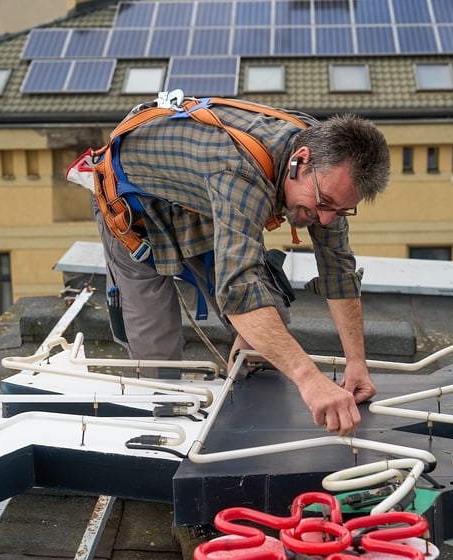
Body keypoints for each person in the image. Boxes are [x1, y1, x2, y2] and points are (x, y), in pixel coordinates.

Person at [93, 96, 390, 437]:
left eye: (339, 210)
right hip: (132, 214)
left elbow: (338, 271)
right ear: (299, 162)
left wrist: (356, 363)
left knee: (268, 324)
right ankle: (164, 440)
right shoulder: (240, 170)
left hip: (200, 203)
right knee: (159, 357)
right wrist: (310, 380)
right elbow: (238, 290)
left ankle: (253, 426)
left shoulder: (326, 167)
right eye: (323, 205)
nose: (324, 219)